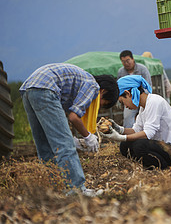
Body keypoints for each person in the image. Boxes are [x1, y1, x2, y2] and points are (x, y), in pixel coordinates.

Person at [19, 63, 119, 196]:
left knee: (44, 146)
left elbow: (58, 124)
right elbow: (73, 117)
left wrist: (74, 140)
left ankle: (54, 188)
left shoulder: (82, 81)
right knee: (65, 146)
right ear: (103, 91)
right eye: (103, 103)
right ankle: (77, 189)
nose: (99, 105)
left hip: (30, 88)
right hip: (46, 88)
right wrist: (88, 136)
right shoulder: (93, 86)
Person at [100, 75, 171, 169]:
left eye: (122, 102)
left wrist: (121, 137)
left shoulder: (154, 101)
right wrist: (119, 129)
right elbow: (136, 130)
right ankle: (153, 165)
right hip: (165, 148)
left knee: (140, 145)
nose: (125, 106)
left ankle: (163, 167)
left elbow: (148, 133)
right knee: (125, 145)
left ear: (128, 93)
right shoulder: (143, 107)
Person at [118, 50, 152, 128]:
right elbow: (120, 88)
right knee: (127, 117)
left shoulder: (142, 69)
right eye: (123, 61)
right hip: (129, 99)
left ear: (133, 59)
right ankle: (130, 136)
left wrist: (142, 98)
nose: (126, 63)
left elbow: (147, 84)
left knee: (146, 118)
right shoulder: (121, 72)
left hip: (141, 96)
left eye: (127, 60)